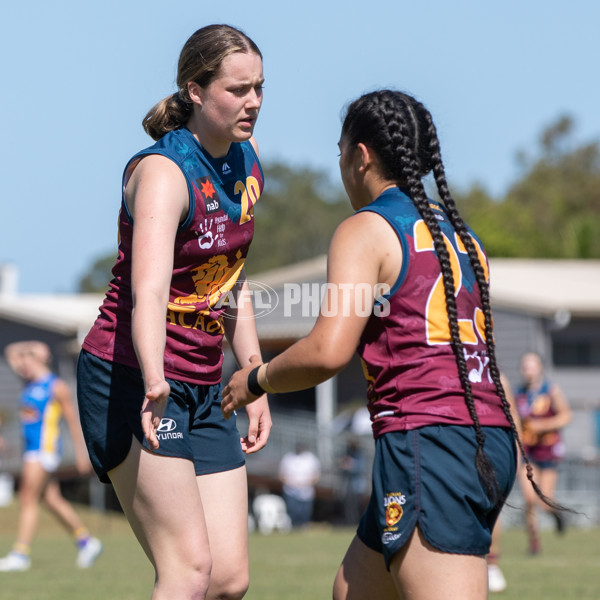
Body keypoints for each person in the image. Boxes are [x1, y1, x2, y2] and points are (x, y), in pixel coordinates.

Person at [221, 90, 552, 599]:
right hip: (485, 435)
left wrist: (254, 379)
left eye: (339, 151)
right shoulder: (460, 234)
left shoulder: (367, 229)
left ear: (361, 156)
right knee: (352, 591)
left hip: (432, 439)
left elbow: (328, 350)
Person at [76, 24, 271, 600]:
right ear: (195, 89)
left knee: (229, 579)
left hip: (203, 384)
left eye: (259, 87)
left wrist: (254, 373)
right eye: (238, 90)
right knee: (188, 570)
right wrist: (157, 379)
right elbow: (149, 294)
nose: (254, 102)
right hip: (134, 378)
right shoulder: (163, 173)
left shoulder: (247, 161)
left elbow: (231, 278)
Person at [0, 341, 102, 572]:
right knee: (51, 500)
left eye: (30, 358)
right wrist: (30, 347)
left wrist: (82, 454)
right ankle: (87, 541)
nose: (24, 362)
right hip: (31, 450)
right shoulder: (28, 381)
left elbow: (73, 422)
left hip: (43, 451)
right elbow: (10, 352)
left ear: (42, 358)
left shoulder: (56, 386)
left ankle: (21, 553)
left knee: (27, 497)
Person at [515, 351, 571, 555]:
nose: (528, 370)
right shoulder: (518, 393)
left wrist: (543, 425)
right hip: (527, 452)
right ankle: (534, 543)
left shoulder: (551, 390)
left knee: (545, 500)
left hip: (547, 451)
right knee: (529, 498)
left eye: (532, 365)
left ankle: (556, 515)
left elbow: (566, 416)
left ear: (540, 368)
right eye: (525, 366)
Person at [278, 442, 321, 527]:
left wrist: (305, 483)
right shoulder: (288, 458)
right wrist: (290, 483)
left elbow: (316, 475)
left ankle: (304, 529)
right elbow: (281, 474)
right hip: (291, 491)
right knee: (293, 513)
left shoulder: (311, 458)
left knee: (304, 514)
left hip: (306, 492)